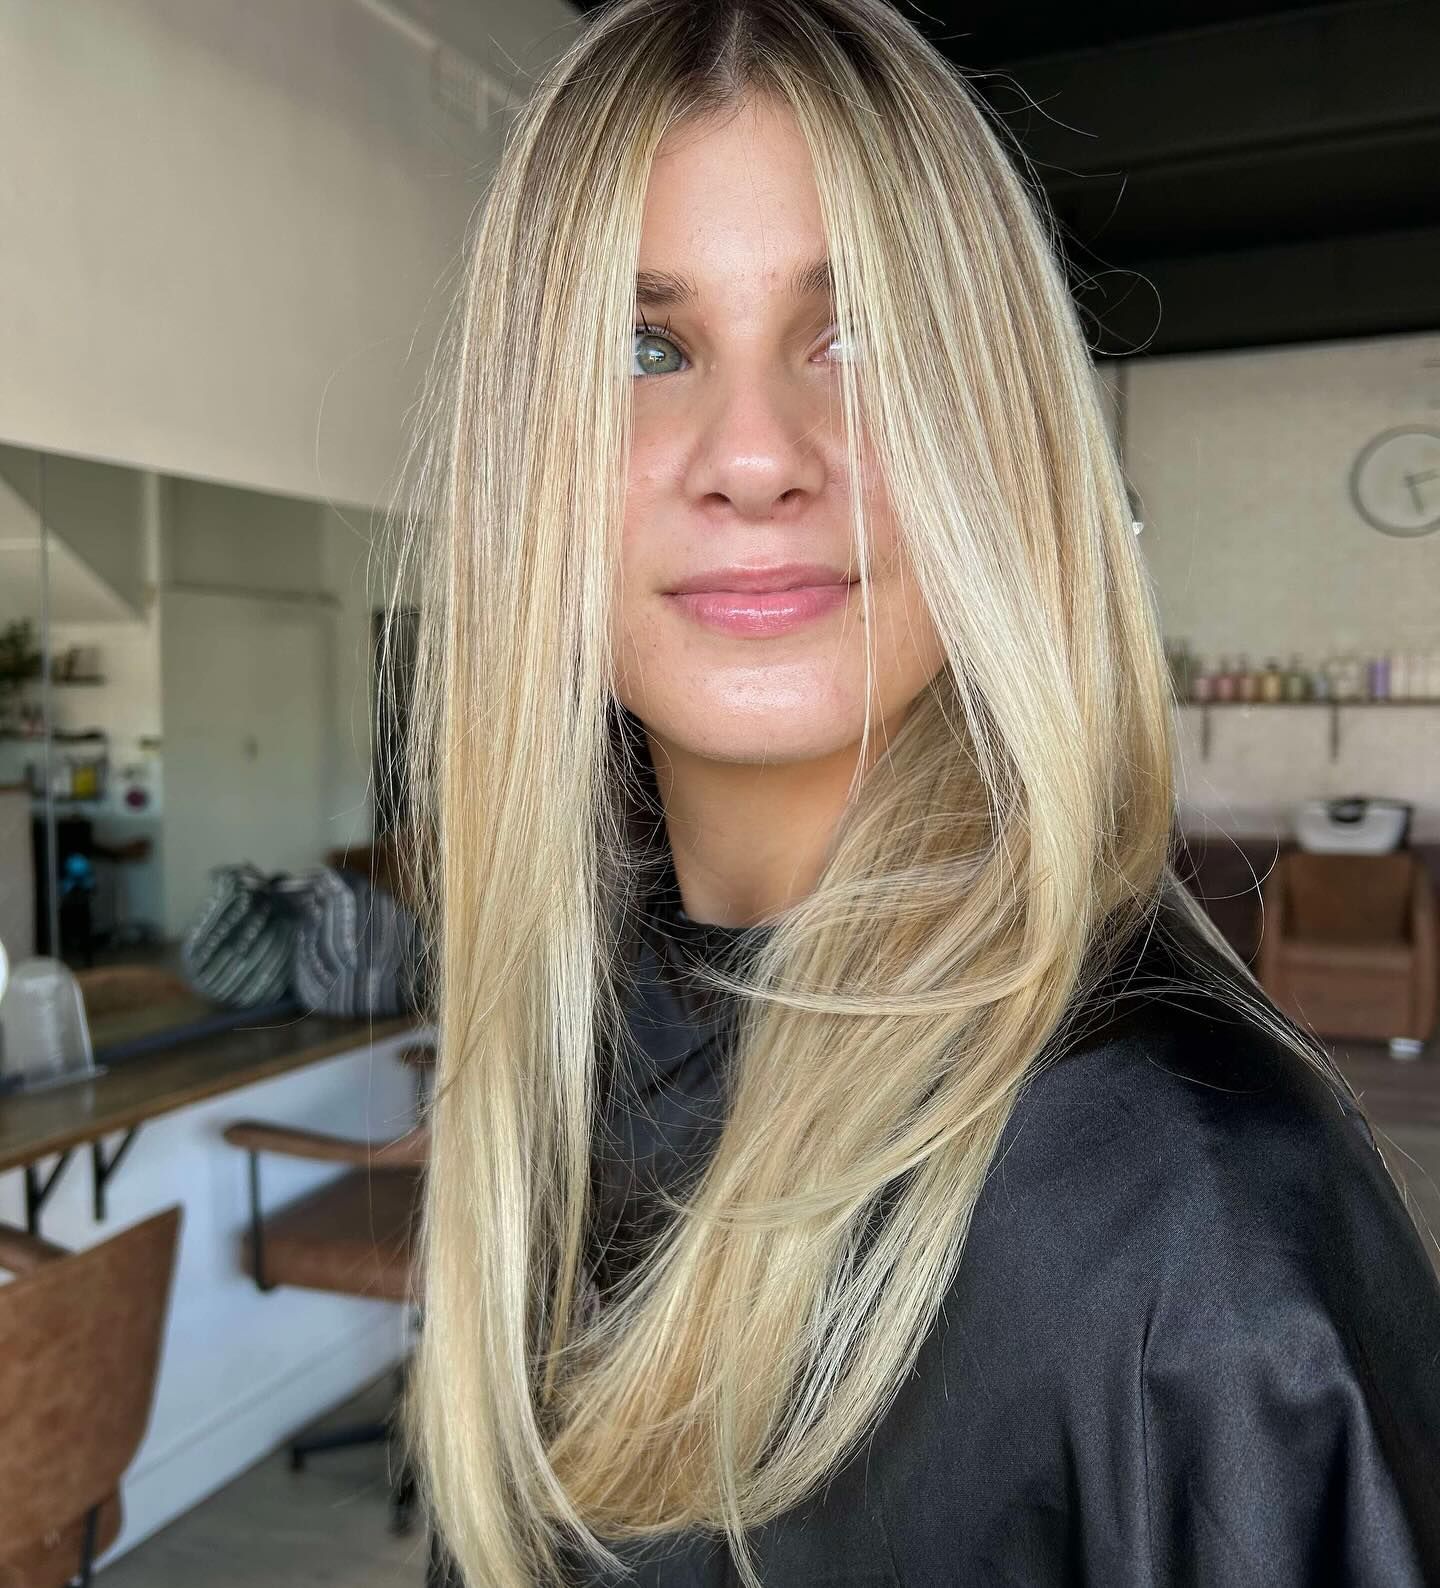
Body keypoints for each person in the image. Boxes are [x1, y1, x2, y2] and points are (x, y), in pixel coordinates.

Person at [388, 1, 1440, 1583]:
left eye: (860, 330)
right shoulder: (571, 1057)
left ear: (1005, 434)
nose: (754, 453)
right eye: (641, 345)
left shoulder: (1189, 1215)